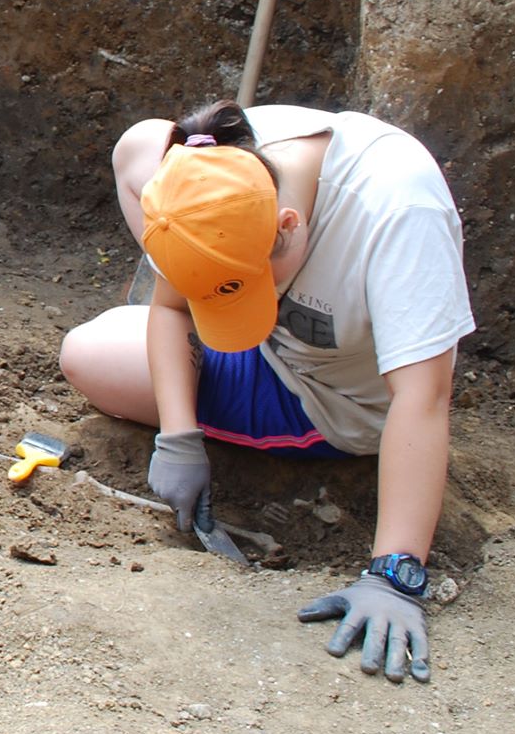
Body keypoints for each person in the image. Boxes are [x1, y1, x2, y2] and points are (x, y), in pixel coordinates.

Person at [58, 100, 474, 684]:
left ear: (289, 225)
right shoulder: (214, 168)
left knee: (100, 356)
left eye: (250, 287)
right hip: (271, 349)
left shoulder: (399, 212)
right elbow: (173, 308)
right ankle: (225, 301)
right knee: (137, 151)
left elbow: (423, 399)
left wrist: (395, 573)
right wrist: (179, 436)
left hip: (333, 396)